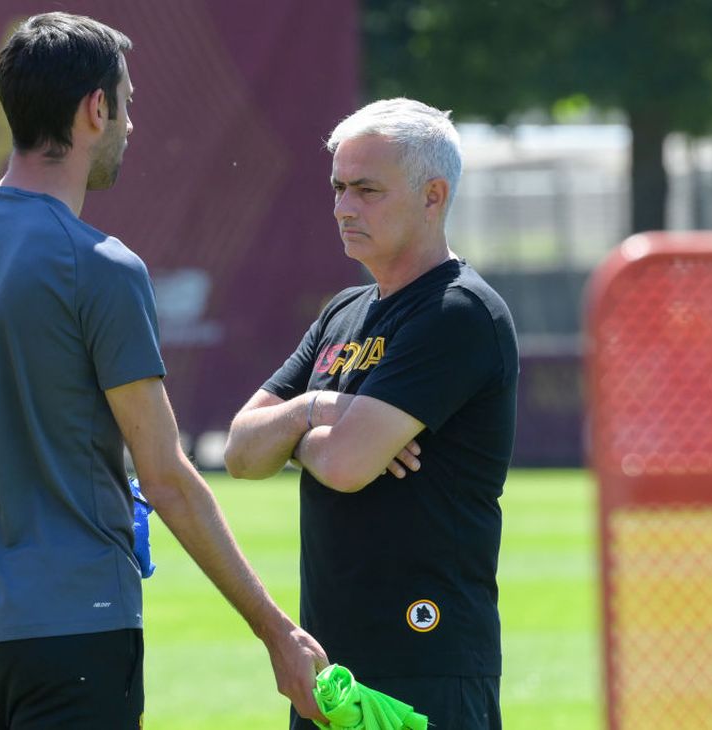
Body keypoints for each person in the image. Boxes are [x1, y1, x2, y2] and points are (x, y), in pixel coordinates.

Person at [0, 12, 327, 729]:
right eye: (128, 103)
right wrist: (278, 632)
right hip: (75, 626)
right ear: (96, 108)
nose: (130, 125)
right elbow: (169, 480)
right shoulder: (101, 266)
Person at [224, 98, 518, 730]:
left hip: (425, 662)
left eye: (366, 189)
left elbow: (347, 463)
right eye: (337, 187)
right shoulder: (342, 312)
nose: (342, 207)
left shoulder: (457, 312)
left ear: (433, 195)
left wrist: (304, 437)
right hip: (331, 670)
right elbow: (241, 453)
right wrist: (319, 407)